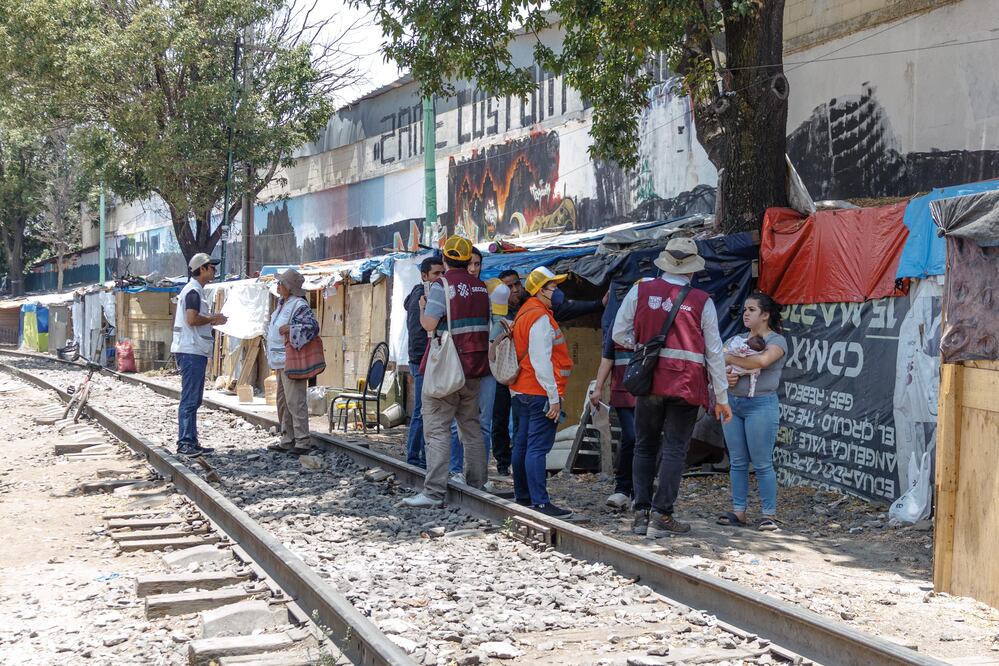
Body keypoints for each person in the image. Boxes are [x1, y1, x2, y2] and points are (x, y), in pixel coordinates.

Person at [613, 237, 732, 537]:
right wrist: (722, 397)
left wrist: (642, 346)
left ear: (665, 263)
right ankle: (662, 516)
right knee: (675, 449)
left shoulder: (640, 289)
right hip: (686, 385)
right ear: (692, 270)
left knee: (644, 445)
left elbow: (619, 333)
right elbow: (714, 352)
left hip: (649, 379)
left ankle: (640, 513)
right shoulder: (702, 301)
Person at [402, 236, 490, 508]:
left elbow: (429, 323)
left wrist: (421, 309)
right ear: (467, 259)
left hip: (445, 367)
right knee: (471, 428)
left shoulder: (442, 286)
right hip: (474, 368)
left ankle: (433, 492)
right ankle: (476, 484)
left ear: (445, 259)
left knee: (438, 429)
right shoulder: (481, 287)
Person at [716, 293, 787, 531]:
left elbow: (761, 362)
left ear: (765, 315)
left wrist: (726, 358)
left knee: (762, 462)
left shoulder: (777, 341)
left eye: (752, 309)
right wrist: (724, 373)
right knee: (737, 461)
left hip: (761, 404)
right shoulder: (736, 339)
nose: (746, 313)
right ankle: (739, 511)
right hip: (733, 403)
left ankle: (769, 514)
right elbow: (714, 368)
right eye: (745, 309)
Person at [510, 267, 575, 518]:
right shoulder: (540, 317)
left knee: (523, 445)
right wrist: (553, 396)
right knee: (537, 448)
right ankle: (540, 502)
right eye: (552, 287)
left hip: (520, 390)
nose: (557, 291)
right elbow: (541, 360)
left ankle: (523, 497)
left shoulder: (524, 313)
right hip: (538, 391)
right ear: (540, 290)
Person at [171, 252, 227, 456]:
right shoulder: (193, 292)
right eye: (212, 267)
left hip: (193, 350)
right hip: (191, 350)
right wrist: (214, 318)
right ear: (202, 269)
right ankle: (185, 442)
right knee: (190, 398)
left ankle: (191, 440)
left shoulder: (195, 291)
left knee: (194, 398)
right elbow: (192, 320)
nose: (214, 271)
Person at [589, 287, 635, 510]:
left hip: (648, 394)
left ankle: (639, 491)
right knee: (632, 437)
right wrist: (598, 388)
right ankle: (623, 488)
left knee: (645, 441)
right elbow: (607, 359)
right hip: (624, 392)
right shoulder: (618, 326)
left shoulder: (654, 322)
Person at [265, 269, 318, 455]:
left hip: (291, 360)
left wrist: (291, 328)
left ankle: (302, 440)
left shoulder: (299, 305)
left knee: (295, 401)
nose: (278, 286)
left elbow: (312, 328)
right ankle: (287, 438)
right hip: (279, 361)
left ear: (289, 287)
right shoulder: (281, 304)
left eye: (281, 283)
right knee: (283, 402)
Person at [446, 246, 487, 482]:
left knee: (477, 425)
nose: (473, 268)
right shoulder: (464, 289)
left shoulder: (486, 290)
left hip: (477, 366)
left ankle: (476, 476)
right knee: (461, 425)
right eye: (470, 263)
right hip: (465, 365)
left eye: (477, 264)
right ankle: (457, 470)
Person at [403, 256, 445, 468]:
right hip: (422, 359)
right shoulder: (422, 295)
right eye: (436, 274)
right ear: (424, 276)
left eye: (442, 273)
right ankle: (413, 458)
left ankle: (419, 457)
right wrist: (424, 360)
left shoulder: (421, 294)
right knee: (421, 411)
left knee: (426, 411)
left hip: (422, 359)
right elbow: (418, 334)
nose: (440, 278)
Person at [491, 269, 525, 476]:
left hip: (524, 371)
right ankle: (503, 462)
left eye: (516, 285)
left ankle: (518, 460)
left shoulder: (528, 307)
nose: (513, 290)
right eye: (508, 287)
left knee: (522, 418)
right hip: (502, 371)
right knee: (500, 418)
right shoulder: (496, 312)